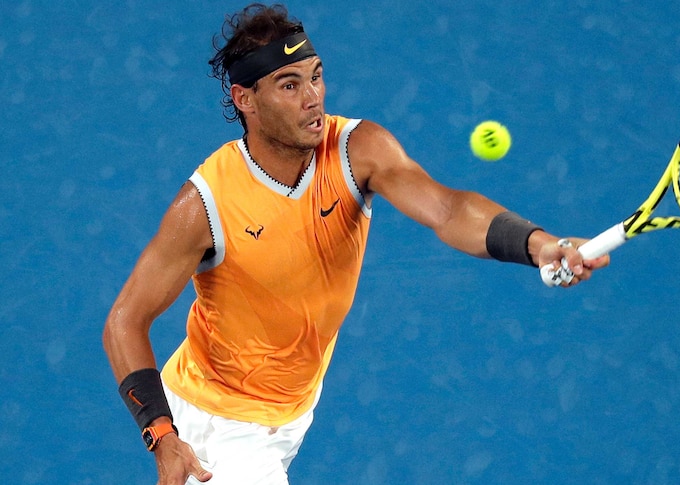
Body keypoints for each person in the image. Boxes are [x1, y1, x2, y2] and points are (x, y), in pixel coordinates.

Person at [102, 3, 609, 484]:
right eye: (289, 84)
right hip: (217, 425)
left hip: (291, 408)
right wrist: (163, 435)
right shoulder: (206, 205)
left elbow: (449, 209)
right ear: (245, 101)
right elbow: (125, 320)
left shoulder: (356, 150)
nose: (313, 97)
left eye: (316, 75)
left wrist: (539, 244)